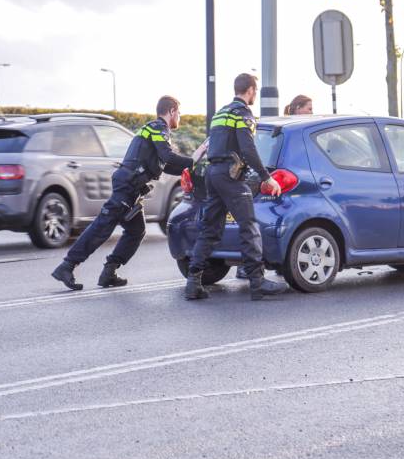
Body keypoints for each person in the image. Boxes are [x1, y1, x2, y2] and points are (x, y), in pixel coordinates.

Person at [51, 96, 195, 290]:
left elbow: (165, 164)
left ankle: (109, 271)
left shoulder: (153, 129)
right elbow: (168, 156)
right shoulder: (158, 128)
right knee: (102, 226)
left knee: (136, 231)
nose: (180, 117)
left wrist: (188, 169)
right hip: (128, 185)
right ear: (171, 111)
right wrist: (193, 162)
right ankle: (67, 266)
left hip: (131, 186)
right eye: (179, 112)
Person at [185, 73, 289, 301]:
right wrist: (266, 177)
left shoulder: (220, 114)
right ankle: (257, 282)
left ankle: (193, 282)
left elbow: (212, 144)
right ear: (250, 90)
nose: (255, 95)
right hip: (230, 176)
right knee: (249, 226)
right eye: (255, 91)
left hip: (213, 173)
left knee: (210, 229)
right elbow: (248, 148)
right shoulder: (243, 114)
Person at [231, 93, 314, 281]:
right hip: (274, 179)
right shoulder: (297, 131)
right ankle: (254, 268)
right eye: (309, 108)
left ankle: (250, 266)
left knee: (252, 226)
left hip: (256, 176)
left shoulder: (275, 127)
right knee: (255, 227)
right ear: (298, 108)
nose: (312, 112)